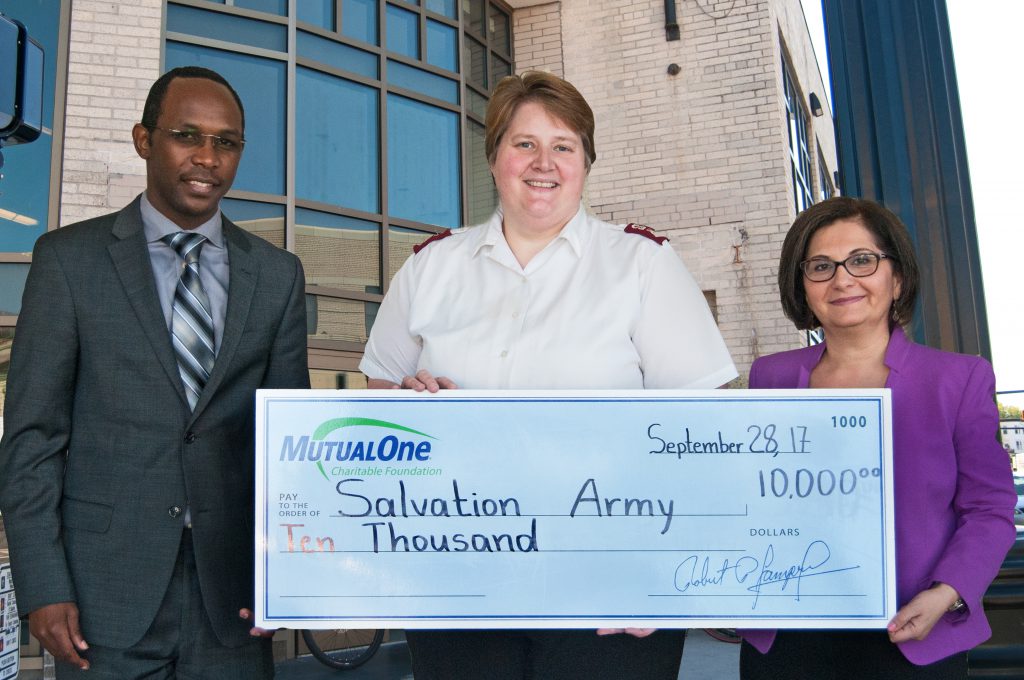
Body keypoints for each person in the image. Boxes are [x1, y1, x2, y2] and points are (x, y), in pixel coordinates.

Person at [360, 71, 737, 679]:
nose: (544, 162)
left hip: (610, 584)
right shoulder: (430, 268)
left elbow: (707, 433)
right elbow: (376, 419)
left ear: (586, 162)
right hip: (459, 580)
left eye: (564, 145)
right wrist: (409, 407)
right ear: (493, 159)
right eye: (524, 143)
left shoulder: (641, 264)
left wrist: (668, 571)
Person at [0, 66, 309, 678]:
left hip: (234, 598)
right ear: (144, 139)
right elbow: (33, 438)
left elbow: (287, 449)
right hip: (100, 596)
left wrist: (287, 577)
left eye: (227, 142)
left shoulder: (277, 275)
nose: (207, 157)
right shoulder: (68, 260)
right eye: (186, 135)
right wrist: (42, 582)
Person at [739, 197, 1016, 679]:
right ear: (802, 287)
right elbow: (749, 499)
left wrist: (947, 592)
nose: (842, 279)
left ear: (898, 278)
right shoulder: (770, 376)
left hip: (912, 629)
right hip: (790, 636)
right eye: (821, 266)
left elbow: (990, 509)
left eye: (862, 260)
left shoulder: (958, 380)